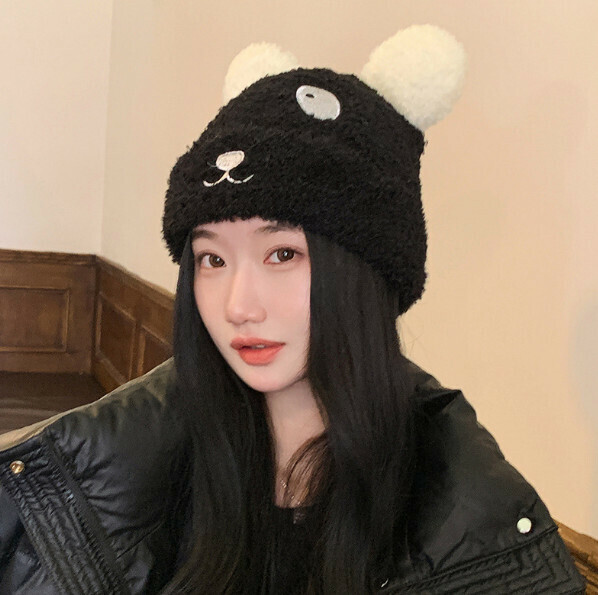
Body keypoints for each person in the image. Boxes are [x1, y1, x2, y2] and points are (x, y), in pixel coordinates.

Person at [0, 25, 585, 594]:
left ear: (366, 273)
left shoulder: (469, 516)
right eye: (212, 259)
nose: (238, 306)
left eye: (282, 254)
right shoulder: (114, 464)